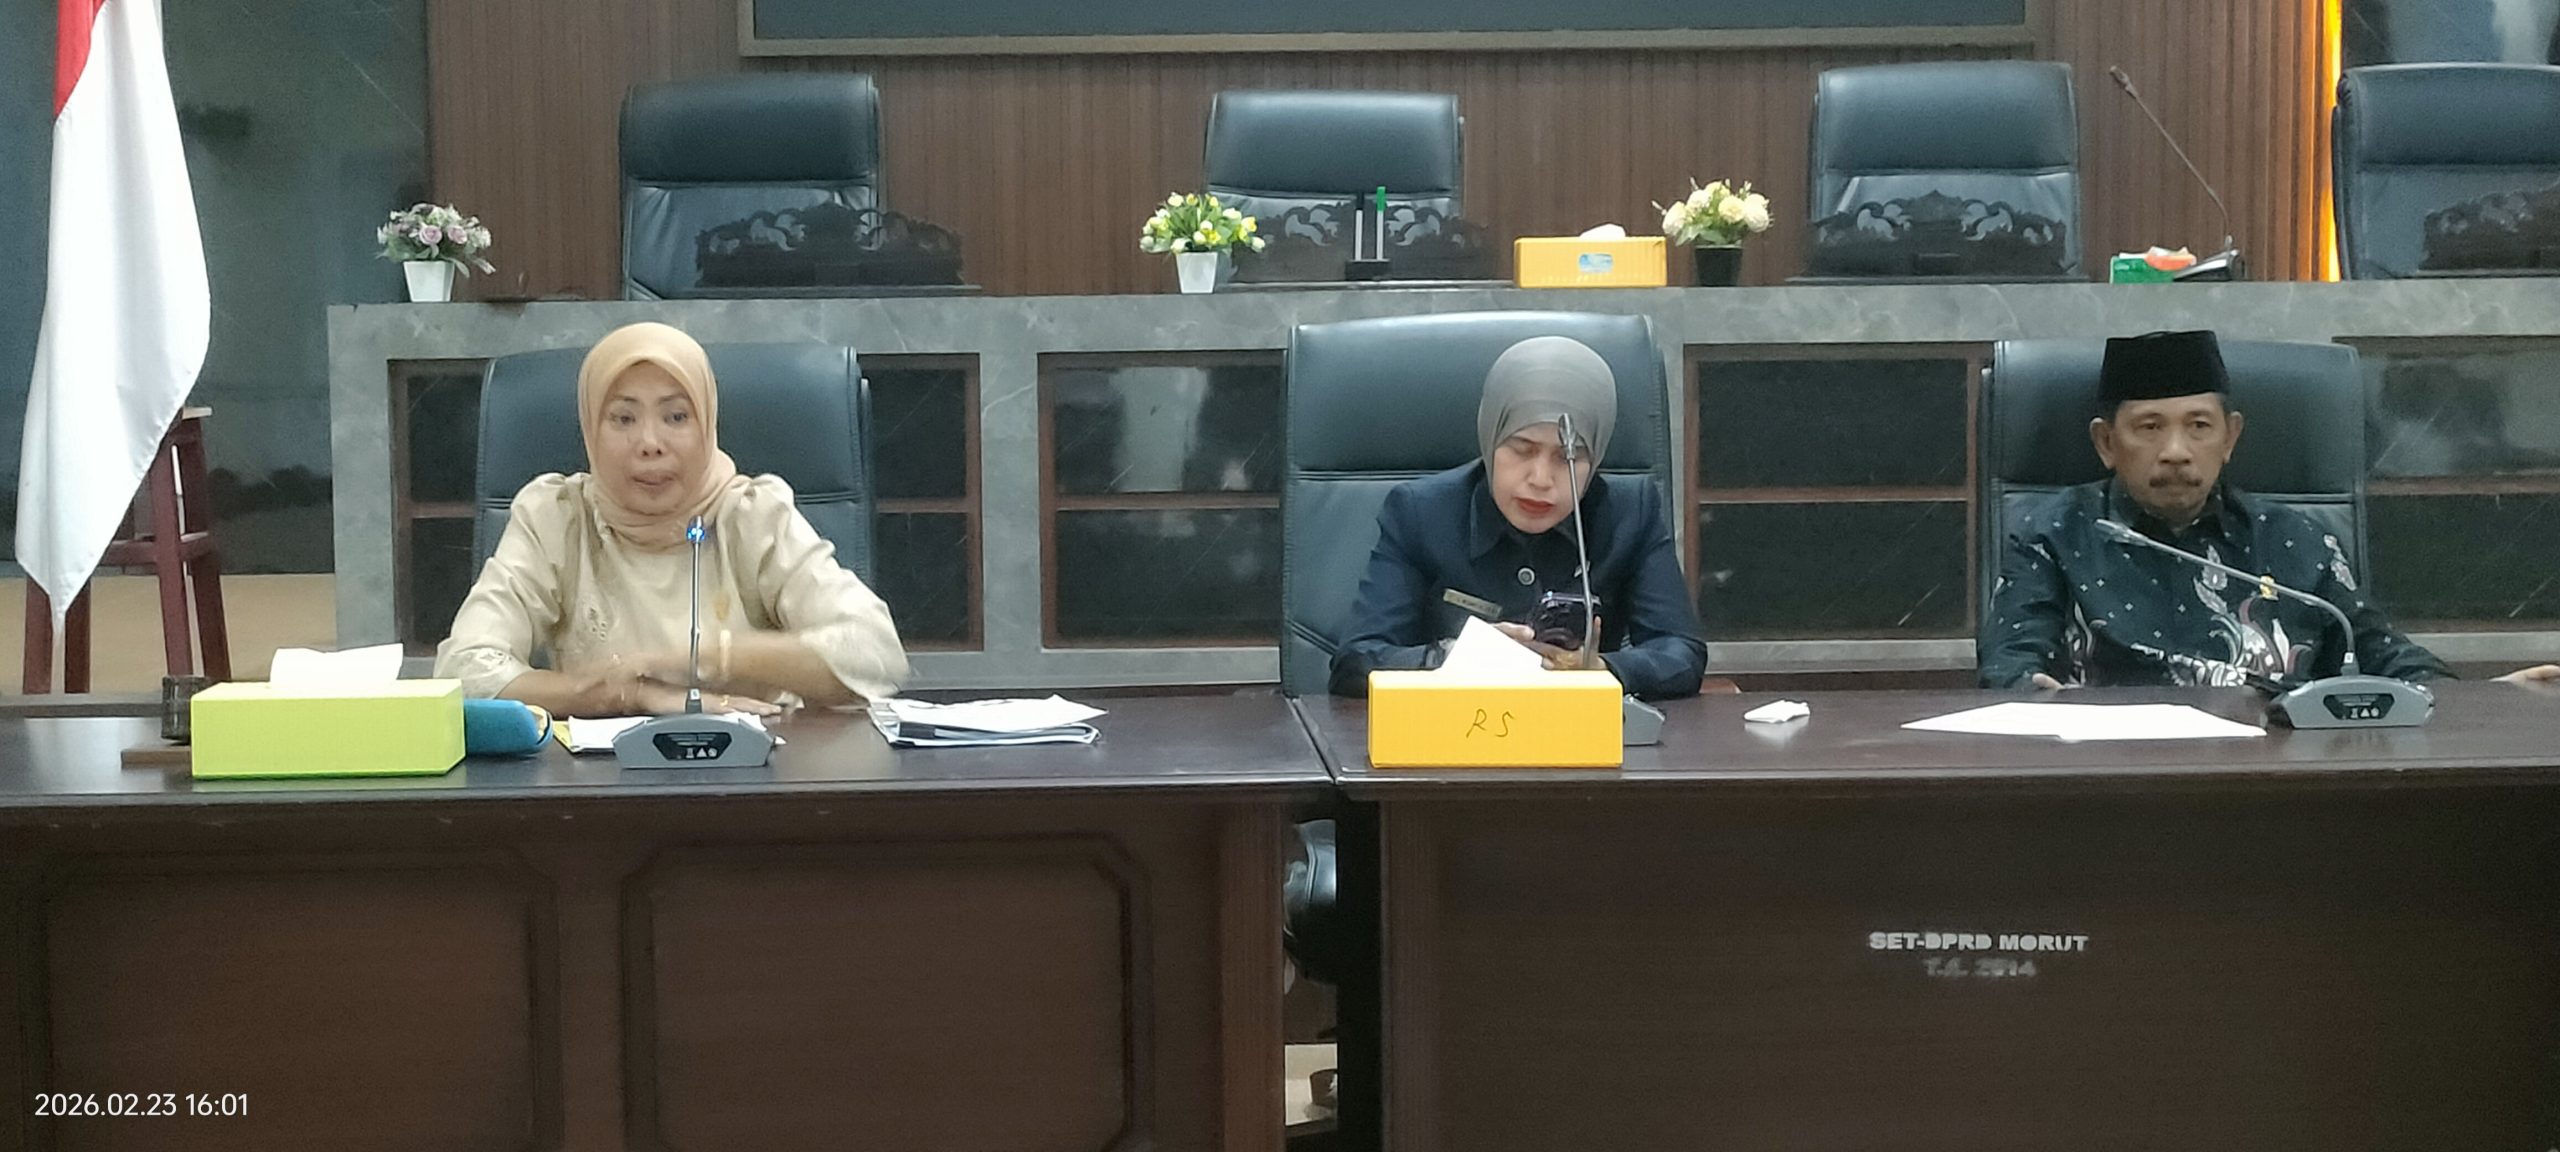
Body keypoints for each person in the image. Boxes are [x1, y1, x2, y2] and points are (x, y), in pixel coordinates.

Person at [1981, 329, 2559, 689]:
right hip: (2113, 786)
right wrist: (2030, 697)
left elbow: (2379, 653)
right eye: (2150, 428)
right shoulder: (2051, 535)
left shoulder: (2295, 540)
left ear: (2230, 438)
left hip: (2278, 780)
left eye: (2199, 426)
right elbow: (2010, 666)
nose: (2176, 450)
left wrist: (2481, 698)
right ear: (2107, 443)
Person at [436, 322, 908, 716]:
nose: (650, 443)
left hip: (757, 775)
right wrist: (628, 694)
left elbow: (875, 653)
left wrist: (704, 659)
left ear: (707, 424)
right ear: (590, 428)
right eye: (623, 419)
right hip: (600, 784)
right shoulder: (558, 517)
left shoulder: (752, 515)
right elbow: (464, 671)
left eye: (677, 417)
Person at [1328, 335, 1708, 697]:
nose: (1540, 479)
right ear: (1490, 438)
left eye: (1567, 457)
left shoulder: (1629, 512)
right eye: (1522, 449)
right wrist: (1455, 657)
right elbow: (1355, 661)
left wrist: (1604, 669)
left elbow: (1682, 653)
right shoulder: (1420, 513)